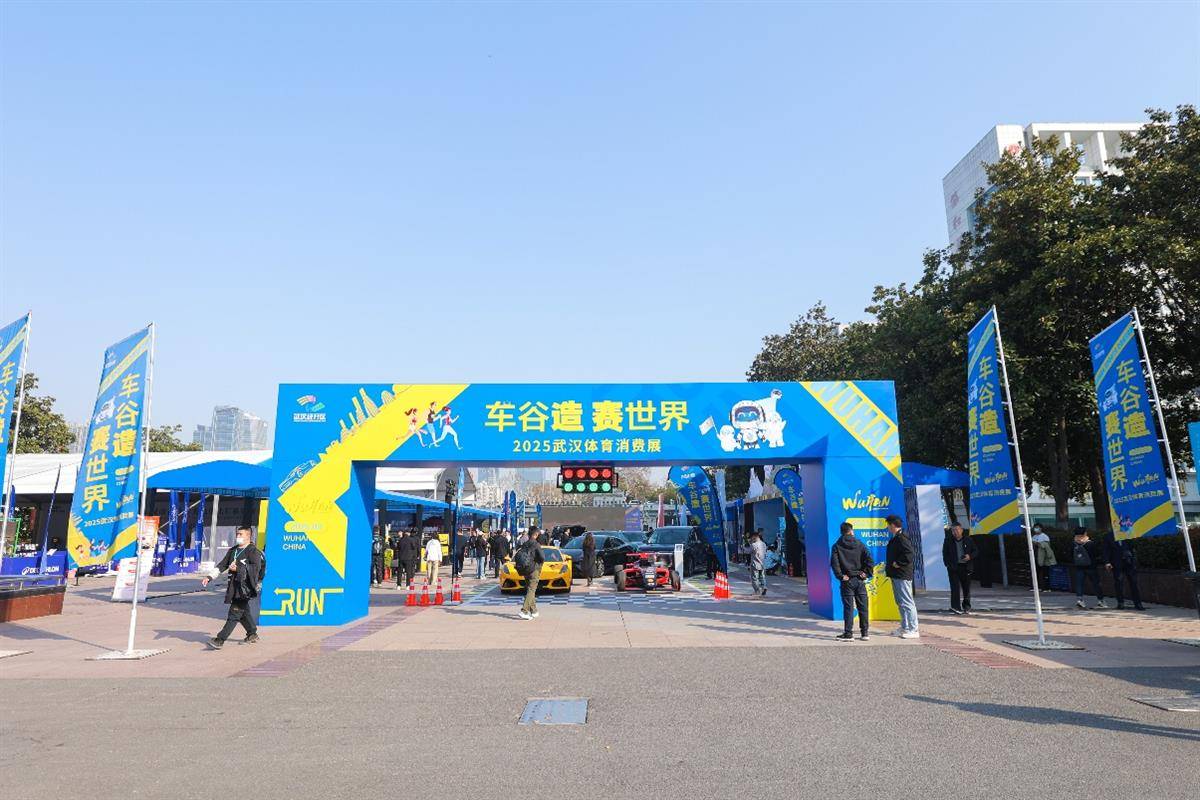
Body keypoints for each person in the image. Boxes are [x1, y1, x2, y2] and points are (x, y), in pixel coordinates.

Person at [203, 526, 266, 649]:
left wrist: (239, 568)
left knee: (234, 613)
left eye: (241, 534)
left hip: (245, 588)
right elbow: (222, 565)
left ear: (248, 536)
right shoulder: (233, 550)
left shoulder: (253, 551)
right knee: (243, 612)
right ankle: (252, 634)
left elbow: (255, 569)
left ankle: (220, 640)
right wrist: (209, 577)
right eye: (237, 534)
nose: (238, 536)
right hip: (234, 587)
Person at [830, 521, 873, 641]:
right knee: (863, 607)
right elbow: (869, 559)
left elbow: (834, 563)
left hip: (847, 580)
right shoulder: (860, 544)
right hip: (859, 579)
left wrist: (840, 576)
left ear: (842, 532)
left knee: (848, 608)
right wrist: (866, 573)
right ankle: (865, 633)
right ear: (851, 531)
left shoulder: (836, 546)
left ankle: (848, 633)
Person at [884, 514, 918, 639]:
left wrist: (898, 563)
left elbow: (909, 554)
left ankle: (914, 629)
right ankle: (905, 627)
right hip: (896, 575)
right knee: (900, 602)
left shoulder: (902, 538)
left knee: (907, 602)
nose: (887, 527)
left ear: (893, 525)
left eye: (888, 525)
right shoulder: (896, 537)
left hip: (902, 575)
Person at [1102, 530, 1144, 611]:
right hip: (1116, 563)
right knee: (1119, 583)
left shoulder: (1128, 533)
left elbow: (1133, 547)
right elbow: (1105, 550)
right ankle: (1120, 602)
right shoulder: (1109, 536)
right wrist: (1107, 562)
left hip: (1129, 563)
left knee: (1134, 583)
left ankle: (1138, 603)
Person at [942, 523, 978, 614]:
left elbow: (976, 551)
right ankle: (955, 607)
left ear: (961, 530)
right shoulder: (948, 540)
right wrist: (948, 564)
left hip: (966, 567)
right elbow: (945, 553)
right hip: (953, 568)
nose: (955, 532)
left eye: (957, 529)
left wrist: (969, 556)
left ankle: (966, 607)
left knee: (966, 588)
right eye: (953, 530)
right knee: (954, 588)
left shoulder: (968, 540)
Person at [1070, 527, 1107, 609]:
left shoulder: (1073, 544)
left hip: (1079, 566)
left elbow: (1070, 555)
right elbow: (1096, 554)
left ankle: (1080, 600)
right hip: (1091, 566)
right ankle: (1101, 600)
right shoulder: (1090, 543)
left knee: (1079, 584)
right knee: (1096, 583)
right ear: (1085, 533)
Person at [516, 527, 544, 620]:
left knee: (529, 589)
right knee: (532, 590)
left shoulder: (525, 543)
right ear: (536, 534)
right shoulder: (536, 544)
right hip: (533, 569)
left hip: (525, 569)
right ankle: (524, 611)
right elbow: (542, 557)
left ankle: (534, 610)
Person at [1031, 523, 1056, 592]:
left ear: (1041, 528)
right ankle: (1037, 587)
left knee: (1045, 573)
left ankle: (1047, 588)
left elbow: (1047, 547)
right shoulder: (1034, 536)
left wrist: (1037, 543)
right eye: (1035, 528)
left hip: (1044, 558)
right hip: (1036, 556)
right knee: (1036, 572)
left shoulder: (1045, 537)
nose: (1036, 529)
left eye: (1037, 528)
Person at [748, 529, 767, 596]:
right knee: (762, 577)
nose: (751, 538)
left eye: (752, 537)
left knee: (754, 578)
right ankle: (764, 587)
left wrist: (750, 543)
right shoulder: (764, 544)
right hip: (762, 563)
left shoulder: (753, 545)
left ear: (754, 537)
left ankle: (757, 591)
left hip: (755, 563)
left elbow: (749, 551)